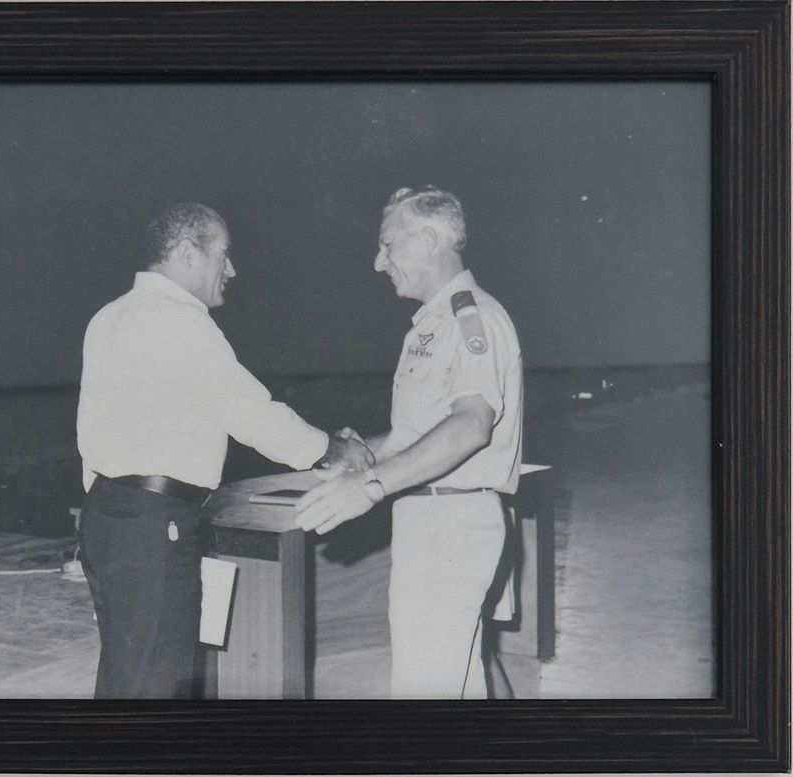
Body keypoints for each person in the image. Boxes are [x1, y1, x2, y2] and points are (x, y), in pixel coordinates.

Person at [76, 202, 370, 699]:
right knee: (155, 689)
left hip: (110, 517)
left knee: (127, 678)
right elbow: (251, 413)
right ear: (189, 253)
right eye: (224, 256)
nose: (231, 270)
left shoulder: (110, 316)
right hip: (155, 526)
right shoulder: (180, 321)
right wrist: (331, 451)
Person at [295, 186, 523, 699]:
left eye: (388, 245)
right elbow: (412, 436)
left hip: (452, 525)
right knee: (451, 685)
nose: (379, 262)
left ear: (426, 240)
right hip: (431, 522)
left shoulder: (472, 319)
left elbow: (471, 425)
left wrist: (370, 487)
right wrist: (360, 456)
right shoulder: (433, 323)